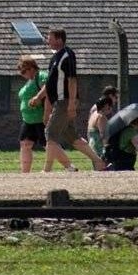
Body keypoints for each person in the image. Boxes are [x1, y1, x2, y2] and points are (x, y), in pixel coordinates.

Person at [37, 28, 106, 172]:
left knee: (50, 134)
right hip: (59, 102)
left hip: (65, 101)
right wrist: (39, 97)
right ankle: (99, 162)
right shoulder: (55, 58)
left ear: (59, 39)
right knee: (72, 136)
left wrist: (72, 104)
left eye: (50, 38)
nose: (47, 41)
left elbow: (72, 80)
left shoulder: (67, 55)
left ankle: (47, 170)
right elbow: (50, 83)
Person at [16, 56, 71, 173]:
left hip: (40, 118)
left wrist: (38, 99)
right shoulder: (29, 81)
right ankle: (25, 173)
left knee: (49, 144)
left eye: (23, 71)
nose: (22, 74)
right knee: (25, 144)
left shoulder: (41, 76)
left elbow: (49, 87)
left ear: (31, 68)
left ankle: (70, 167)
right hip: (28, 120)